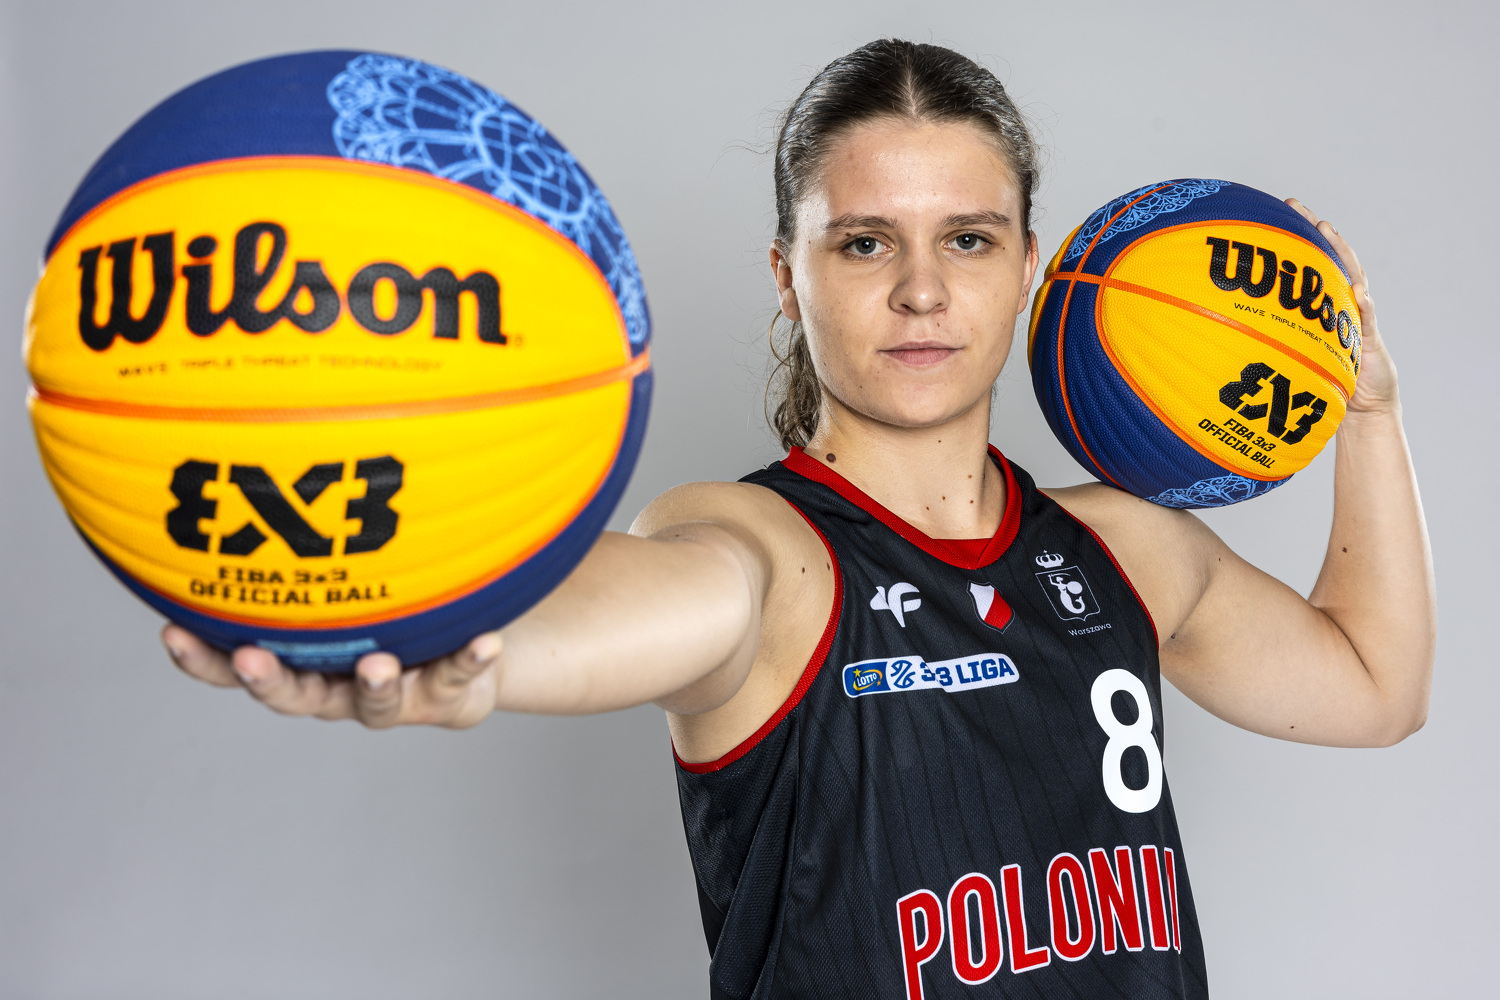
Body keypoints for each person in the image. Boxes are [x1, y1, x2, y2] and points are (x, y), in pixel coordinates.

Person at [162, 39, 1434, 1000]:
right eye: (866, 243)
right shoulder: (764, 550)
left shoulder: (1128, 548)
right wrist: (448, 633)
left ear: (1028, 268)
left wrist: (1367, 407)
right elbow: (628, 603)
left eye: (969, 240)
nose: (924, 289)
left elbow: (1378, 685)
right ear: (788, 273)